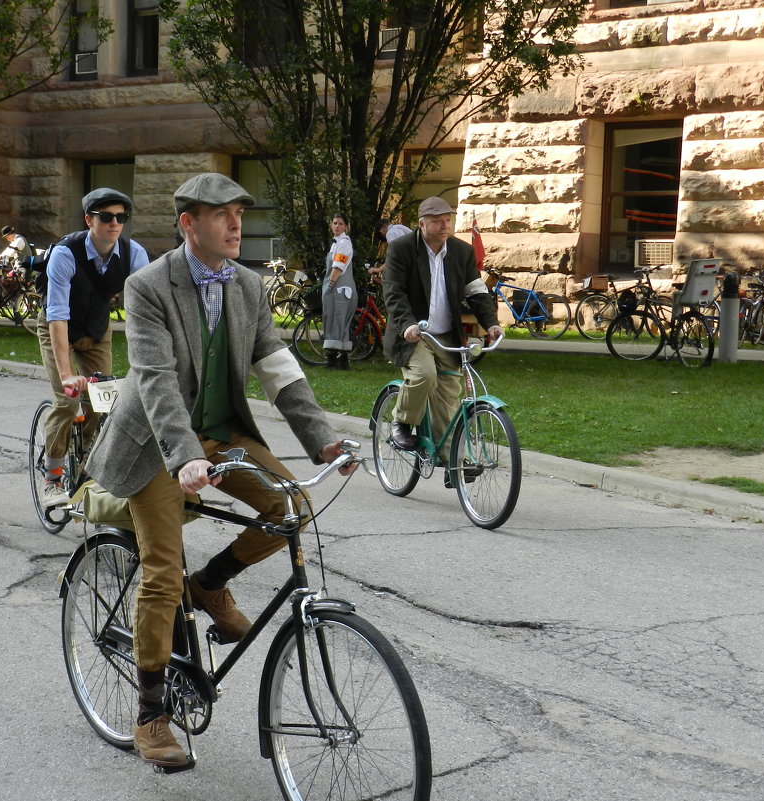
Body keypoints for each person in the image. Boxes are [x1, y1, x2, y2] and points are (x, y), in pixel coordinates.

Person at [85, 173, 356, 768]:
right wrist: (184, 458)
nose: (235, 224)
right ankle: (151, 714)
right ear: (188, 224)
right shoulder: (148, 286)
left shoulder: (250, 288)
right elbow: (154, 380)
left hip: (221, 432)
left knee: (290, 507)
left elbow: (279, 368)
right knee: (160, 567)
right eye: (219, 215)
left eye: (238, 212)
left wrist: (323, 441)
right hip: (159, 442)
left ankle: (209, 583)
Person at [37, 187, 149, 509]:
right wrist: (67, 374)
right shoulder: (65, 253)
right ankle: (53, 478)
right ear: (89, 220)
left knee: (104, 403)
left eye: (120, 217)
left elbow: (144, 312)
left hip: (97, 332)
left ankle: (88, 462)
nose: (114, 223)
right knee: (68, 400)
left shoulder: (133, 254)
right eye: (106, 217)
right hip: (59, 329)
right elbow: (57, 316)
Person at [381, 196, 503, 485]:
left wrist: (491, 323)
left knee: (448, 395)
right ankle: (401, 420)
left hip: (446, 335)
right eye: (437, 220)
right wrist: (407, 324)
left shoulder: (461, 252)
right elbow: (393, 292)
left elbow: (475, 290)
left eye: (447, 219)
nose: (444, 225)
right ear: (422, 225)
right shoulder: (402, 249)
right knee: (424, 376)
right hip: (413, 333)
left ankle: (452, 465)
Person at [321, 214, 356, 370]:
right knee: (337, 323)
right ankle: (341, 362)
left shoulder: (343, 244)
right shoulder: (336, 243)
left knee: (337, 322)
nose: (336, 226)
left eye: (340, 224)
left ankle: (334, 361)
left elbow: (338, 267)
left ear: (346, 227)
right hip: (339, 288)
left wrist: (330, 285)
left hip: (339, 289)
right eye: (334, 223)